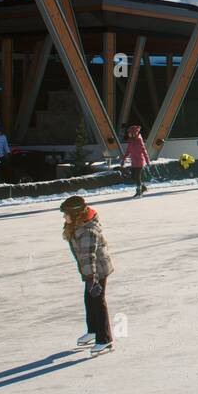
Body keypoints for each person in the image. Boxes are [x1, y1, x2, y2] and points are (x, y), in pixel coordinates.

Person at [60, 195, 115, 355]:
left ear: (76, 214)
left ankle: (105, 339)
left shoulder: (88, 231)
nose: (64, 217)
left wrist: (92, 280)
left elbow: (89, 256)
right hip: (89, 270)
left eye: (66, 213)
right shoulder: (77, 225)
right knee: (89, 299)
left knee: (98, 302)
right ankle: (93, 330)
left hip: (97, 269)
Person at [119, 124, 150, 197]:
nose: (128, 134)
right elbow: (128, 151)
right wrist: (123, 159)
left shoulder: (139, 140)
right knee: (133, 177)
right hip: (134, 162)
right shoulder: (131, 141)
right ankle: (143, 188)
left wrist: (147, 160)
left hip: (139, 162)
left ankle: (139, 192)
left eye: (130, 133)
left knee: (137, 177)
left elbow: (144, 151)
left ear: (133, 133)